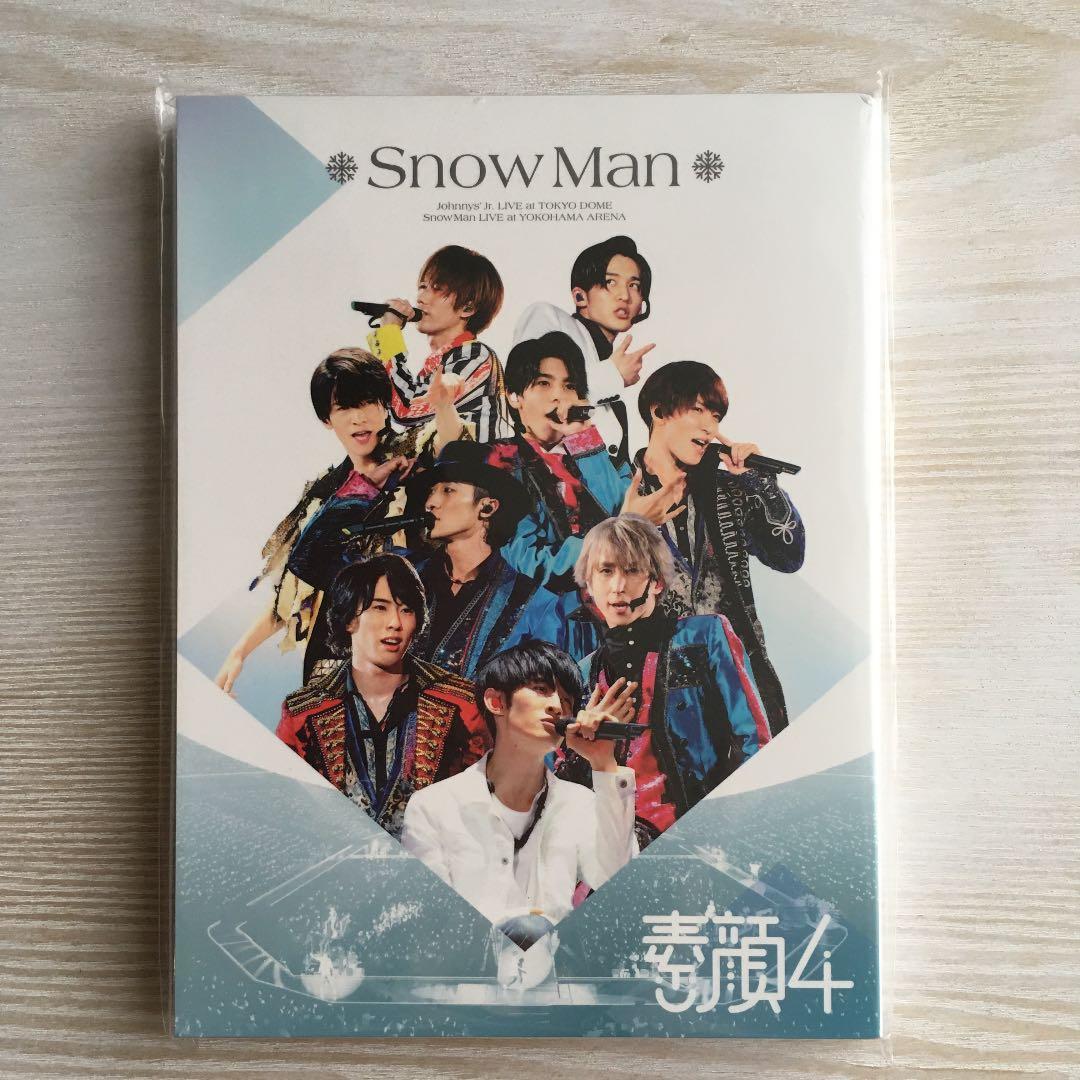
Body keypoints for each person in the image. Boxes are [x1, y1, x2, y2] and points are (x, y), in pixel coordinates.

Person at [215, 348, 467, 690]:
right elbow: (294, 590)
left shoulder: (413, 453)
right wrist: (240, 652)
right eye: (344, 408)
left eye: (367, 403)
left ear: (385, 405)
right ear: (327, 419)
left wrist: (444, 406)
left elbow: (452, 449)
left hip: (409, 641)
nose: (358, 418)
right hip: (334, 654)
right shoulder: (324, 492)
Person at [556, 515, 772, 848]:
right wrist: (582, 748)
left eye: (631, 570)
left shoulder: (704, 636)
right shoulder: (581, 673)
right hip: (614, 845)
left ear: (656, 582)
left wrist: (726, 831)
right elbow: (562, 786)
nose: (617, 586)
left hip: (701, 839)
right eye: (606, 571)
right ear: (589, 584)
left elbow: (754, 740)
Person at [401, 641, 637, 925]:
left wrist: (603, 762)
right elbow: (431, 920)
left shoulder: (579, 804)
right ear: (496, 702)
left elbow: (617, 880)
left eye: (566, 701)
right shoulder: (433, 807)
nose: (556, 706)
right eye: (541, 689)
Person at [635, 361, 804, 732]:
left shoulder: (727, 491)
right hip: (657, 690)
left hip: (736, 684)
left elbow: (789, 556)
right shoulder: (618, 490)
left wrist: (759, 483)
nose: (710, 427)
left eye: (715, 416)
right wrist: (629, 524)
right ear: (659, 412)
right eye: (698, 410)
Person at [276, 554, 490, 839]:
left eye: (407, 610)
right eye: (380, 607)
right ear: (349, 619)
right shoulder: (304, 713)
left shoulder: (460, 703)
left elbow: (485, 806)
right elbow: (284, 810)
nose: (395, 623)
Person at [492, 331, 684, 594]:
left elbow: (622, 514)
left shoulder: (608, 461)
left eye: (569, 386)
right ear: (514, 396)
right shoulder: (497, 463)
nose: (559, 396)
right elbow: (533, 563)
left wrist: (584, 441)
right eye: (544, 384)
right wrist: (624, 529)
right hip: (545, 610)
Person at [402, 440, 565, 679]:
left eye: (448, 490)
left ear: (487, 507)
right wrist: (371, 488)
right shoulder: (403, 577)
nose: (430, 503)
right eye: (431, 491)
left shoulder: (536, 603)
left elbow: (544, 689)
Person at [513, 235, 657, 465]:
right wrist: (612, 376)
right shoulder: (549, 318)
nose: (625, 295)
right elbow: (531, 396)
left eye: (634, 285)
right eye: (611, 282)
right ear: (580, 296)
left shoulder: (609, 369)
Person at [368, 244, 509, 442]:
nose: (421, 298)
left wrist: (389, 335)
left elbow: (406, 408)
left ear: (467, 307)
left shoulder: (476, 356)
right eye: (422, 287)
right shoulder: (438, 365)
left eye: (436, 289)